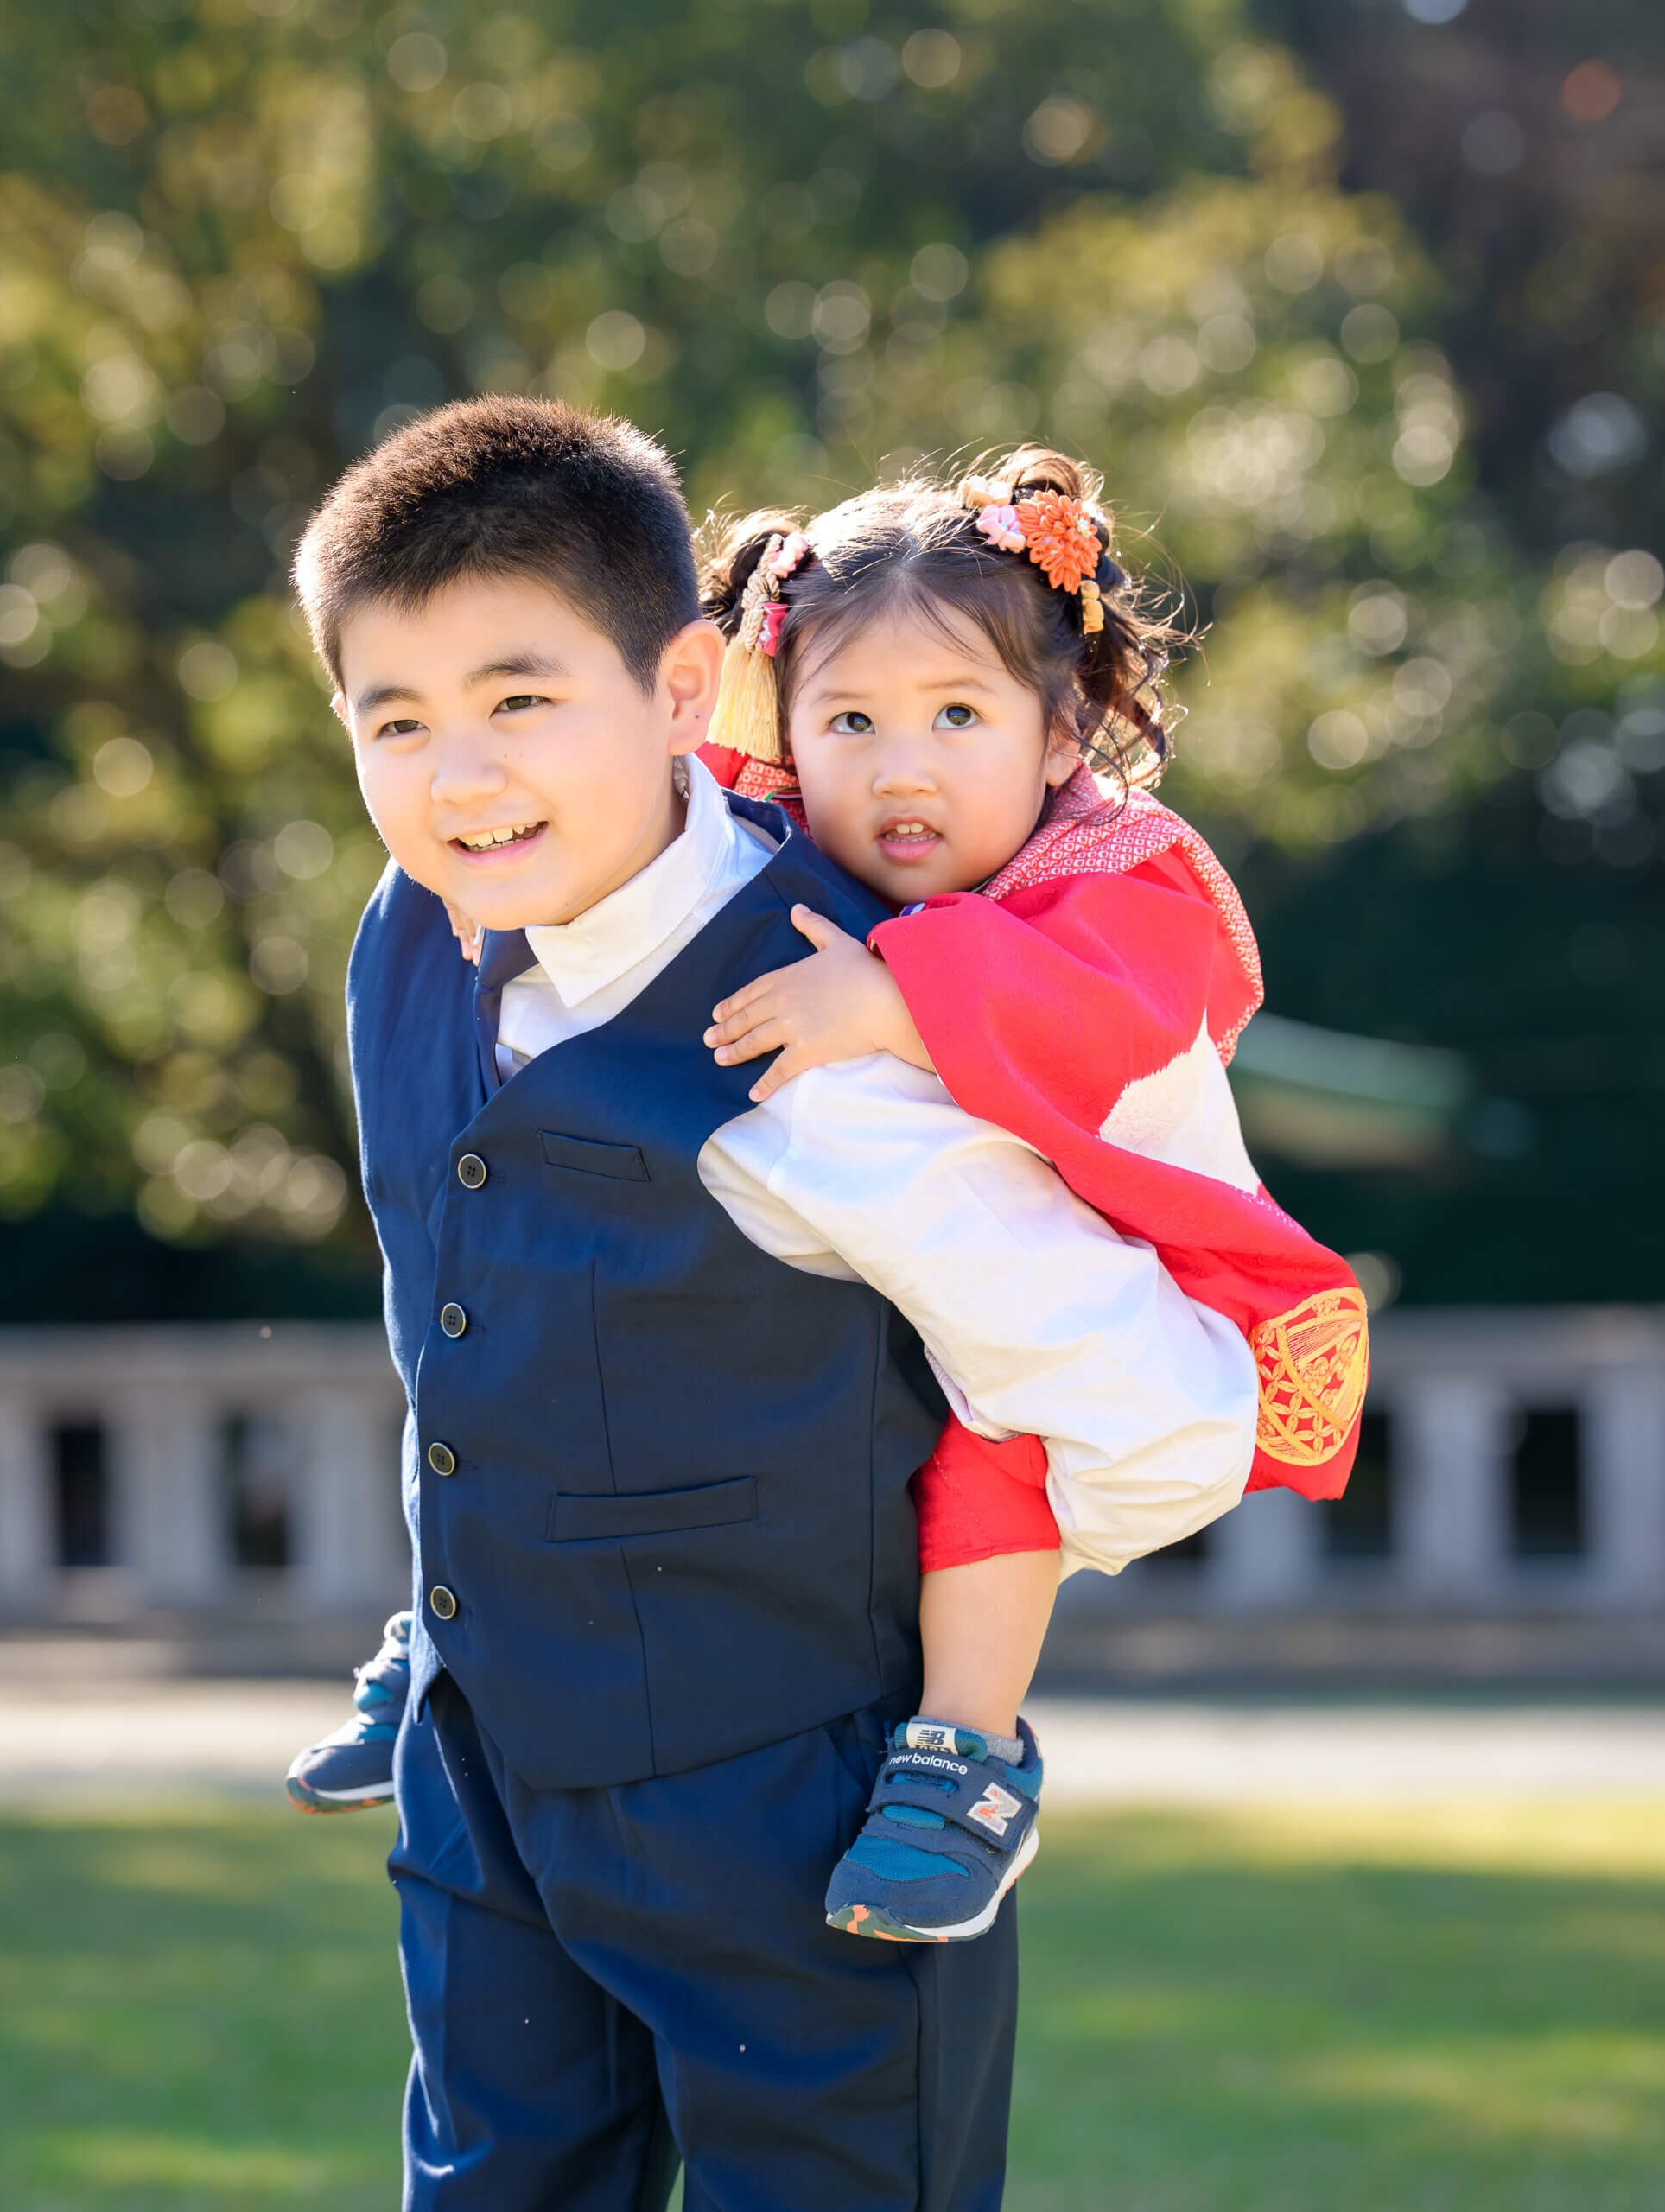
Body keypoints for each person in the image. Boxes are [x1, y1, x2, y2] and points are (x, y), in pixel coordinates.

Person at [289, 393, 1261, 2208]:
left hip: (793, 1826)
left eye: (519, 702)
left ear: (681, 688)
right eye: (395, 721)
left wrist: (947, 1633)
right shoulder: (408, 936)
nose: (460, 778)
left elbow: (1164, 1403)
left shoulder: (839, 1018)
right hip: (482, 1783)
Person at [690, 448, 1367, 1941]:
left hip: (1124, 1268)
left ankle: (967, 1757)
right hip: (865, 1307)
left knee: (996, 1455)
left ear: (1060, 731)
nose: (903, 767)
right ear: (784, 731)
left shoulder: (1118, 875)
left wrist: (900, 998)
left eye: (958, 716)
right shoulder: (781, 865)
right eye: (849, 721)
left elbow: (1116, 1018)